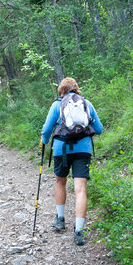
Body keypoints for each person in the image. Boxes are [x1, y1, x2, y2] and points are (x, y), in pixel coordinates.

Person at [41, 77, 103, 246]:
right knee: (80, 189)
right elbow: (99, 129)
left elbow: (46, 129)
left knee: (60, 182)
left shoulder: (57, 104)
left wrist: (44, 140)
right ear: (77, 89)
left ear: (61, 90)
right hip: (83, 149)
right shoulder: (86, 104)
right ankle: (79, 231)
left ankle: (60, 219)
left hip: (62, 149)